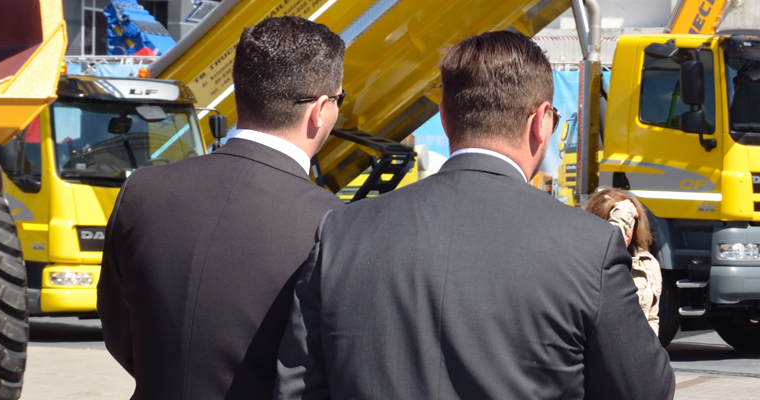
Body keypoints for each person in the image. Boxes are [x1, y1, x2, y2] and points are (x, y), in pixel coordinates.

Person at [275, 31, 674, 399]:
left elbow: (298, 387)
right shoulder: (589, 246)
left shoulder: (343, 230)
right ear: (541, 121)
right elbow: (645, 390)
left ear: (444, 117)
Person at [97, 16, 346, 400]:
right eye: (340, 99)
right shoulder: (334, 223)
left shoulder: (141, 191)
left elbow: (119, 330)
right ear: (320, 109)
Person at [585, 188, 662, 335]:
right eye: (622, 221)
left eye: (630, 222)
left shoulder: (647, 262)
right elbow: (609, 243)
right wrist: (623, 213)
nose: (625, 232)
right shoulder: (588, 261)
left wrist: (651, 347)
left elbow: (652, 318)